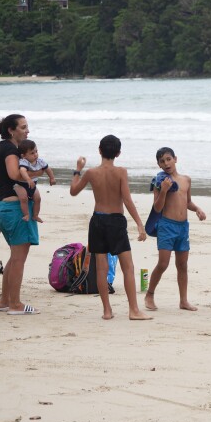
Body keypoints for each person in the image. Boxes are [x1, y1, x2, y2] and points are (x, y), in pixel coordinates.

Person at [69, 134, 152, 321]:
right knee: (128, 267)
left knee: (101, 268)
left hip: (98, 220)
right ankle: (133, 310)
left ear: (100, 150)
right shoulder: (121, 172)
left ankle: (107, 311)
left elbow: (73, 191)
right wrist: (140, 224)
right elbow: (127, 200)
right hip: (116, 221)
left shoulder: (90, 173)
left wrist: (78, 170)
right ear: (118, 153)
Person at [144, 147, 207, 311]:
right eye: (162, 161)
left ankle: (183, 301)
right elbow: (157, 208)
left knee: (182, 265)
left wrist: (198, 209)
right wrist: (164, 191)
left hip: (183, 227)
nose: (166, 163)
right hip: (166, 226)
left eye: (168, 159)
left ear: (175, 159)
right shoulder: (160, 182)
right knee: (163, 263)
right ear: (158, 164)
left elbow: (187, 202)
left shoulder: (186, 180)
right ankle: (149, 294)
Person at [0, 114, 39, 315]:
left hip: (5, 207)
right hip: (15, 210)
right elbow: (13, 174)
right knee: (19, 258)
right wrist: (35, 174)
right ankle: (16, 304)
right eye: (23, 127)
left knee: (14, 257)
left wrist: (3, 203)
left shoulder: (0, 150)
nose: (27, 131)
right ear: (11, 130)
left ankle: (4, 301)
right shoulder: (10, 150)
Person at [14, 139, 56, 223]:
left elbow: (47, 169)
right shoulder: (24, 161)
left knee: (38, 198)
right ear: (24, 155)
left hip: (33, 185)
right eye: (32, 153)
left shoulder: (40, 161)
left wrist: (52, 178)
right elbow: (22, 171)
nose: (35, 154)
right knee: (23, 198)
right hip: (20, 185)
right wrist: (28, 179)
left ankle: (35, 215)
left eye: (36, 151)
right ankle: (26, 214)